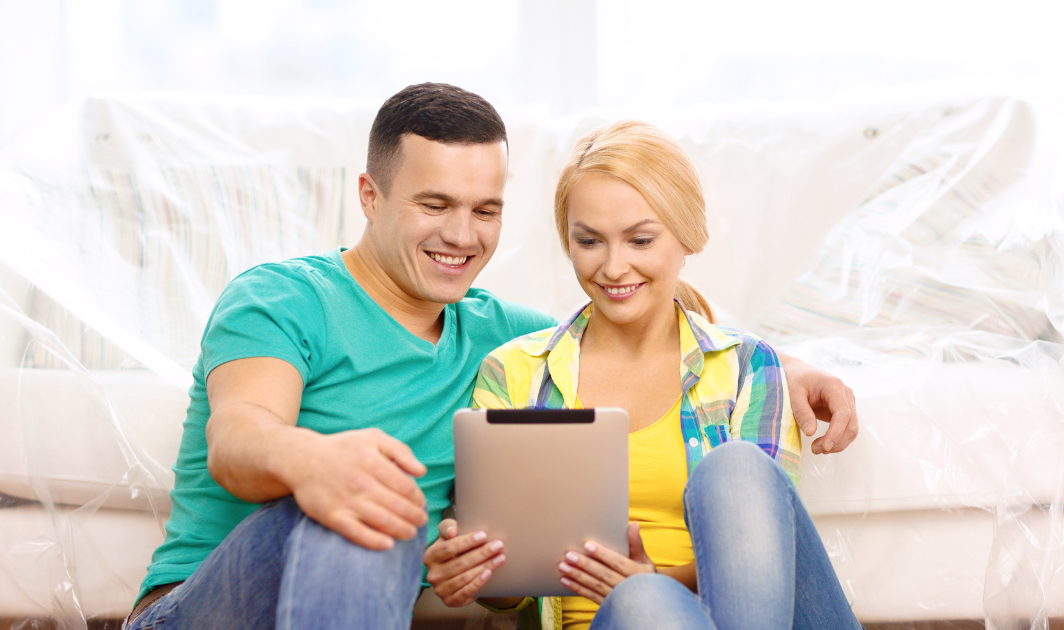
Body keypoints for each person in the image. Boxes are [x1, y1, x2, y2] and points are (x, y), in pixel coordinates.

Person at [123, 84, 858, 630]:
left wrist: (786, 368)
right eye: (434, 204)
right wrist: (319, 464)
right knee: (377, 511)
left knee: (393, 519)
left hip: (362, 590)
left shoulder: (497, 336)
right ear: (370, 197)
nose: (462, 234)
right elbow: (239, 437)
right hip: (204, 608)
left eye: (486, 209)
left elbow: (636, 317)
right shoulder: (283, 297)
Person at [423, 120, 860, 630]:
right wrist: (473, 574)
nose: (613, 267)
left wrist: (654, 578)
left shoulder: (749, 368)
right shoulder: (513, 371)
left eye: (640, 240)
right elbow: (507, 596)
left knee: (733, 472)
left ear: (687, 236)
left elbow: (765, 562)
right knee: (641, 607)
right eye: (589, 241)